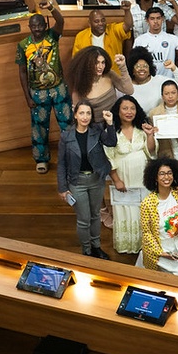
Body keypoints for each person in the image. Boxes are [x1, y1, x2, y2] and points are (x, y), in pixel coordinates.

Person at [16, 0, 71, 174]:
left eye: (41, 25)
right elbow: (22, 72)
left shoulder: (52, 36)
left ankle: (71, 157)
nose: (38, 28)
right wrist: (27, 97)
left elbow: (61, 22)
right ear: (29, 26)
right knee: (39, 127)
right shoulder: (23, 45)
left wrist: (51, 8)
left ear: (44, 25)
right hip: (37, 93)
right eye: (34, 26)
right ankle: (41, 159)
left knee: (67, 123)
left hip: (59, 88)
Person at [57, 102, 116, 259]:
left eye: (88, 113)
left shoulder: (96, 131)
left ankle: (96, 247)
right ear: (75, 115)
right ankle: (87, 250)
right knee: (84, 219)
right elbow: (61, 163)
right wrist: (62, 188)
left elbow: (111, 142)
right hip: (77, 182)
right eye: (81, 113)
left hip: (96, 180)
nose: (85, 117)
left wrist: (110, 123)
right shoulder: (66, 136)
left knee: (95, 215)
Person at [106, 96, 156, 254]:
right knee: (126, 209)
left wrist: (149, 135)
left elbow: (152, 152)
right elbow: (108, 157)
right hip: (123, 178)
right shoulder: (111, 131)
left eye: (132, 108)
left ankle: (145, 244)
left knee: (143, 209)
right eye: (125, 108)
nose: (129, 112)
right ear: (118, 111)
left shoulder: (142, 129)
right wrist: (116, 180)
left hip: (142, 177)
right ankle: (128, 245)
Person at [138, 157, 178, 278]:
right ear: (155, 178)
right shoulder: (147, 203)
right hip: (160, 249)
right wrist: (161, 253)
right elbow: (147, 233)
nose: (166, 177)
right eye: (161, 174)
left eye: (169, 173)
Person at [68, 47, 134, 123]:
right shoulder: (80, 84)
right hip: (94, 127)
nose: (100, 67)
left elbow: (129, 90)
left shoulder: (109, 74)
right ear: (87, 64)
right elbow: (79, 114)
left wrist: (123, 67)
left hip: (114, 121)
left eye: (103, 62)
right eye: (96, 63)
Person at [133, 7, 178, 78]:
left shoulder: (171, 39)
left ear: (163, 19)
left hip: (168, 83)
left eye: (158, 18)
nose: (155, 21)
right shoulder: (139, 40)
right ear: (147, 20)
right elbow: (134, 63)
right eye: (152, 19)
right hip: (147, 82)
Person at [126, 46, 178, 113]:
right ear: (132, 69)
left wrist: (173, 68)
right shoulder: (126, 86)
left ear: (150, 68)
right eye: (138, 66)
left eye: (145, 66)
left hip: (159, 119)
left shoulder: (159, 80)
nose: (142, 69)